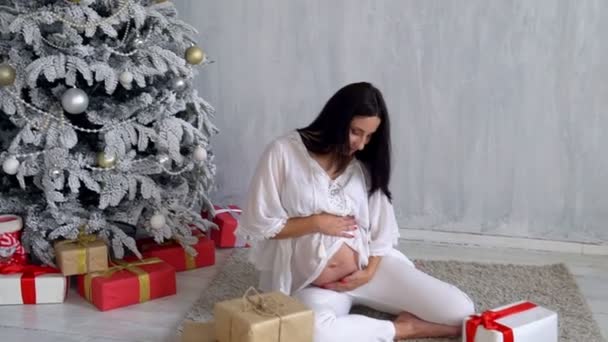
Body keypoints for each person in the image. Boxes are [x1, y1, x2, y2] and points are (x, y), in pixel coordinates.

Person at [236, 82, 475, 341]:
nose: (361, 144)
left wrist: (369, 272)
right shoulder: (284, 152)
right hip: (316, 286)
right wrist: (317, 222)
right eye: (355, 132)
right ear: (336, 120)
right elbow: (260, 223)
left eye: (370, 136)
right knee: (314, 334)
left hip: (367, 273)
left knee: (461, 311)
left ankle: (380, 315)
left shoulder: (363, 164)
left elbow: (382, 231)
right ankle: (405, 329)